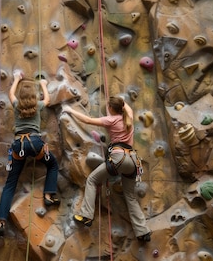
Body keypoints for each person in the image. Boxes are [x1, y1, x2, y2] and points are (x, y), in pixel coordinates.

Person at [63, 96, 151, 242]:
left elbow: (88, 120)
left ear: (110, 108)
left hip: (118, 159)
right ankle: (143, 232)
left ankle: (86, 215)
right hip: (132, 161)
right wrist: (122, 101)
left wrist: (70, 110)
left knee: (92, 180)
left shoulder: (111, 120)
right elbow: (127, 108)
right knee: (130, 196)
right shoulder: (128, 117)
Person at [0, 72, 60, 237]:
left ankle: (1, 221)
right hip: (36, 143)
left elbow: (10, 93)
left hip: (18, 146)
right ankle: (48, 196)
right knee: (52, 164)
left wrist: (16, 78)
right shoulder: (38, 106)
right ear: (33, 96)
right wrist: (44, 84)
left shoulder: (17, 105)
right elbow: (47, 100)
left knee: (10, 184)